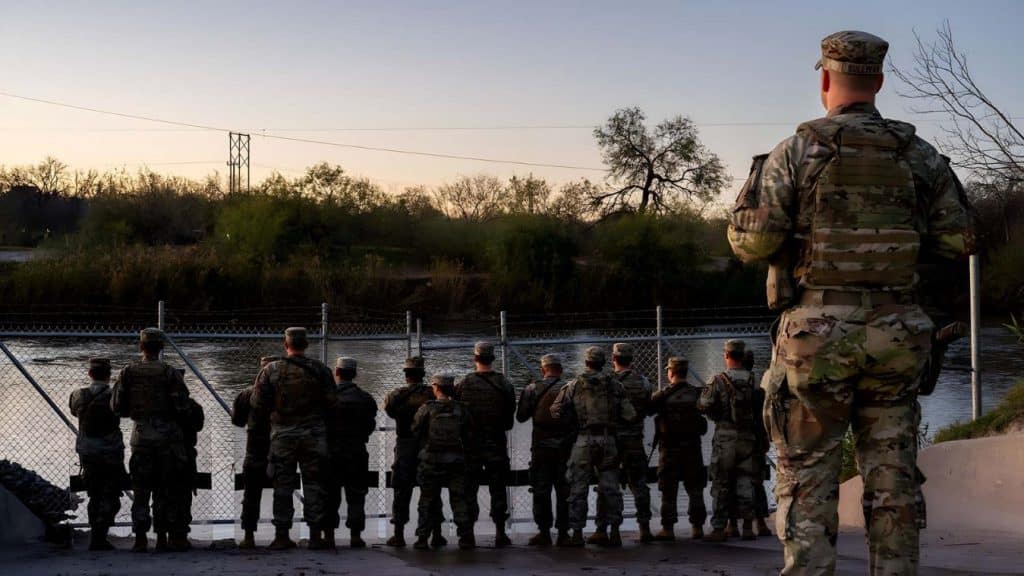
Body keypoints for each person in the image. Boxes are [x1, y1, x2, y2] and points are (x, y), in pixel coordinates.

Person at [727, 30, 976, 575]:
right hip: (898, 335)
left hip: (816, 337)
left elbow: (753, 243)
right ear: (878, 81)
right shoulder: (920, 156)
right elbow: (960, 240)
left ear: (824, 80)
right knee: (894, 482)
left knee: (806, 479)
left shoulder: (794, 153)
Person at [251, 327, 336, 550]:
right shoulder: (321, 370)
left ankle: (281, 535)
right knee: (314, 484)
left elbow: (258, 405)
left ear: (285, 344)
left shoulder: (271, 370)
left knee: (283, 485)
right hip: (314, 435)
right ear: (306, 344)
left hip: (282, 435)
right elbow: (332, 403)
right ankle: (316, 535)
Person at [111, 328, 192, 552]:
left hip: (141, 436)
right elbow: (183, 407)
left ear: (141, 347)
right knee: (165, 489)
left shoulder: (128, 372)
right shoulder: (169, 373)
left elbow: (116, 406)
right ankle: (163, 537)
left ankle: (140, 538)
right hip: (167, 439)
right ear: (162, 347)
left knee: (141, 490)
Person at [550, 346, 636, 548]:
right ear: (604, 362)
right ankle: (614, 532)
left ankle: (577, 534)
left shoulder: (574, 385)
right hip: (608, 440)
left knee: (578, 487)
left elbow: (555, 410)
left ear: (586, 363)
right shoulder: (615, 386)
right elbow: (630, 415)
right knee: (610, 488)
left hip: (583, 440)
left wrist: (572, 419)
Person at [454, 342, 516, 546]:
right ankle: (500, 532)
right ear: (493, 359)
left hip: (471, 444)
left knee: (468, 488)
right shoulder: (504, 383)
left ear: (475, 359)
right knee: (498, 487)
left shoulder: (464, 383)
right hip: (496, 442)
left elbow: (457, 413)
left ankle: (467, 534)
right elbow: (509, 418)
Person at [698, 339, 759, 542]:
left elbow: (703, 404)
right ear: (742, 356)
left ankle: (718, 528)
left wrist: (716, 412)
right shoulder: (753, 379)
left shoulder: (718, 380)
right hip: (747, 437)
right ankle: (748, 527)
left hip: (725, 437)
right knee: (745, 481)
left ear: (726, 355)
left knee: (721, 482)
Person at [515, 353, 574, 547]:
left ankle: (544, 532)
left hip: (541, 447)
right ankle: (565, 533)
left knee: (541, 489)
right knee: (565, 489)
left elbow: (521, 416)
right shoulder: (571, 388)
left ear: (543, 370)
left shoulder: (532, 389)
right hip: (566, 447)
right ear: (561, 370)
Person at [383, 356, 443, 548]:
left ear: (406, 375)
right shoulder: (431, 395)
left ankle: (398, 535)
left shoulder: (397, 396)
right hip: (428, 445)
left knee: (401, 489)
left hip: (405, 445)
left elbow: (390, 410)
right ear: (423, 374)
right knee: (431, 490)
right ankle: (435, 534)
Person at [412, 373, 476, 550]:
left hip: (431, 461)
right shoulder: (461, 409)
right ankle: (465, 536)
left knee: (427, 499)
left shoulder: (427, 408)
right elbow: (469, 435)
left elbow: (415, 430)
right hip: (455, 460)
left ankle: (422, 538)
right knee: (459, 499)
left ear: (436, 388)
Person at [648, 356, 707, 541]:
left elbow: (648, 409)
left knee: (668, 490)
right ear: (686, 372)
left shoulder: (663, 395)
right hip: (693, 448)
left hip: (670, 449)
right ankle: (697, 527)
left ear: (671, 372)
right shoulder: (697, 393)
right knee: (695, 488)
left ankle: (668, 528)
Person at [69, 357, 125, 551]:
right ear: (109, 375)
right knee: (111, 495)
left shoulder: (78, 395)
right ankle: (101, 534)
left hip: (88, 454)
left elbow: (74, 412)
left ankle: (96, 535)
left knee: (94, 494)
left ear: (89, 374)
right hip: (111, 454)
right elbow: (123, 412)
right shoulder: (115, 396)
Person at [324, 357, 378, 549]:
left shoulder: (326, 398)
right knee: (356, 494)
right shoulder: (365, 399)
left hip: (331, 452)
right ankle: (356, 535)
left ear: (336, 372)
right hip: (356, 452)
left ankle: (329, 535)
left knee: (330, 495)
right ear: (354, 374)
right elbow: (370, 426)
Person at [606, 342, 654, 543]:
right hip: (635, 439)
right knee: (639, 484)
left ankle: (614, 530)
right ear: (631, 359)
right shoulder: (644, 382)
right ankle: (644, 528)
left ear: (613, 359)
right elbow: (648, 407)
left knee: (610, 485)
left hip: (612, 440)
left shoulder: (607, 382)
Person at [231, 356, 276, 549]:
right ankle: (282, 534)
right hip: (280, 450)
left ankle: (249, 536)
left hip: (255, 450)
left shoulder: (247, 394)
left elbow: (237, 421)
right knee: (283, 492)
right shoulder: (287, 396)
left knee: (250, 495)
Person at [743, 350, 772, 538]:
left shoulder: (724, 382)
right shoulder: (758, 389)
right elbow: (764, 417)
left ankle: (733, 525)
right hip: (755, 439)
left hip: (734, 439)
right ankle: (761, 522)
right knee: (757, 482)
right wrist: (764, 439)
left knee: (731, 480)